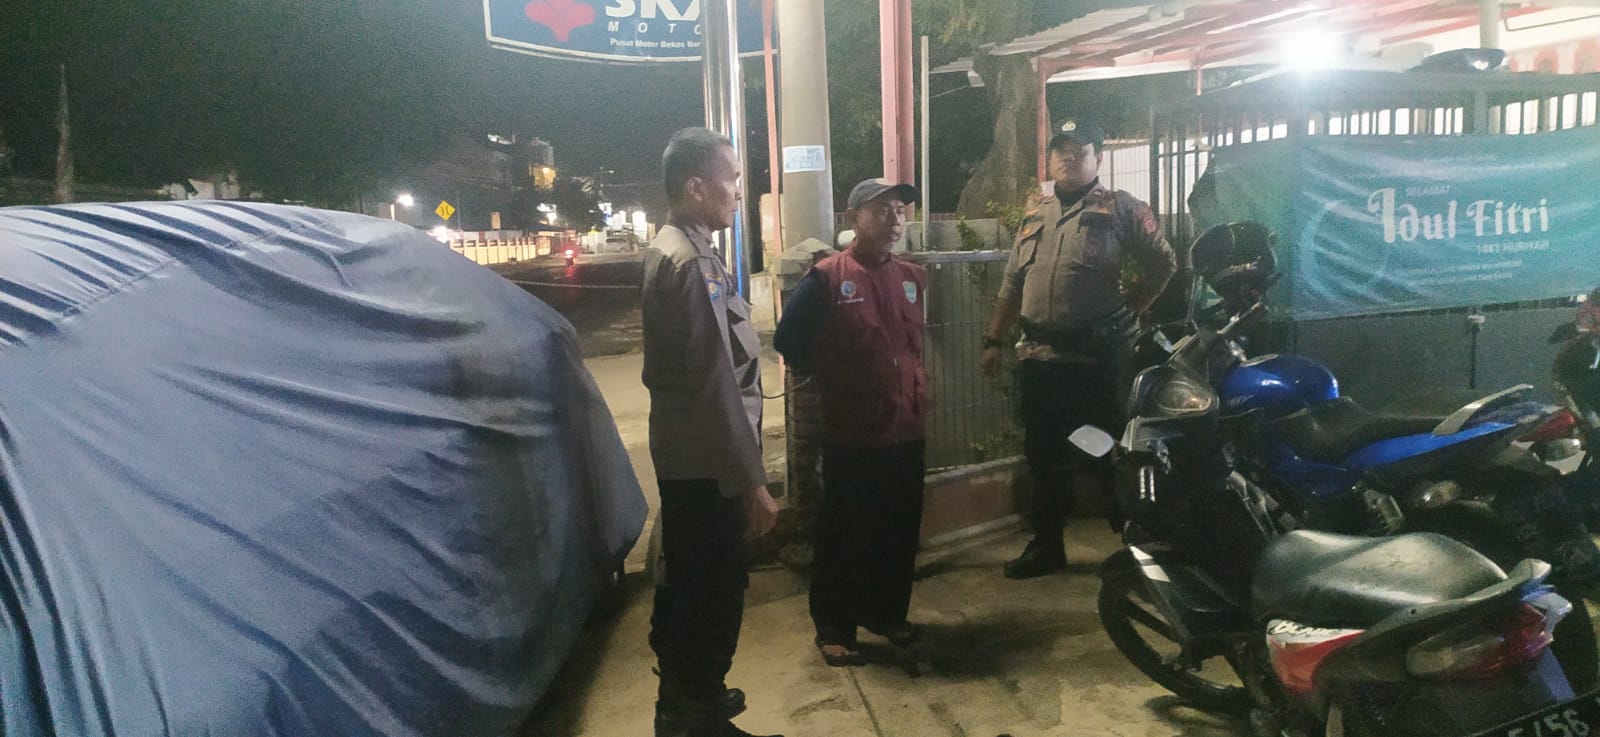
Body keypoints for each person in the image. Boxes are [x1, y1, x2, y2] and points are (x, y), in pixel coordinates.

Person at [979, 117, 1177, 579]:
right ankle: (1047, 547)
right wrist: (993, 339)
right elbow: (1012, 283)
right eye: (1061, 151)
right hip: (1041, 362)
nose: (1068, 158)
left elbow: (1163, 261)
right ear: (1049, 160)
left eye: (1080, 151)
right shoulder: (1035, 212)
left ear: (1098, 160)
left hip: (1097, 363)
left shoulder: (1122, 209)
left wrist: (1132, 308)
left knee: (1106, 452)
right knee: (1043, 457)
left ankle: (1138, 548)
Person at [641, 127, 782, 737]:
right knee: (712, 590)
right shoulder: (691, 260)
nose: (738, 191)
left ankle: (690, 703)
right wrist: (751, 482)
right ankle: (693, 717)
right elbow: (716, 382)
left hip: (692, 459)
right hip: (708, 466)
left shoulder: (681, 246)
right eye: (732, 179)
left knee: (691, 584)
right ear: (697, 187)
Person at [773, 178, 929, 667]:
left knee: (897, 532)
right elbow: (788, 341)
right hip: (854, 435)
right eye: (881, 209)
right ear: (852, 218)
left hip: (907, 428)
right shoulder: (826, 279)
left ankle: (886, 614)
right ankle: (834, 628)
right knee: (845, 535)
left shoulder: (911, 277)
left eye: (899, 210)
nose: (895, 219)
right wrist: (838, 377)